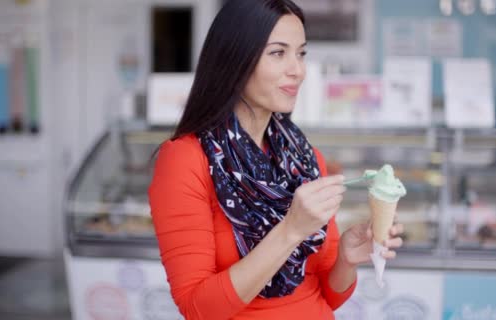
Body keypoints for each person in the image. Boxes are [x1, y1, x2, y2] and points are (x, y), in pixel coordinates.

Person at [148, 1, 404, 319]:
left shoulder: (305, 156)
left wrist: (346, 260)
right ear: (235, 59)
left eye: (301, 53)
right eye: (278, 53)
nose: (297, 70)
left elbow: (328, 294)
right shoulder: (185, 159)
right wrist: (291, 229)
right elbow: (198, 308)